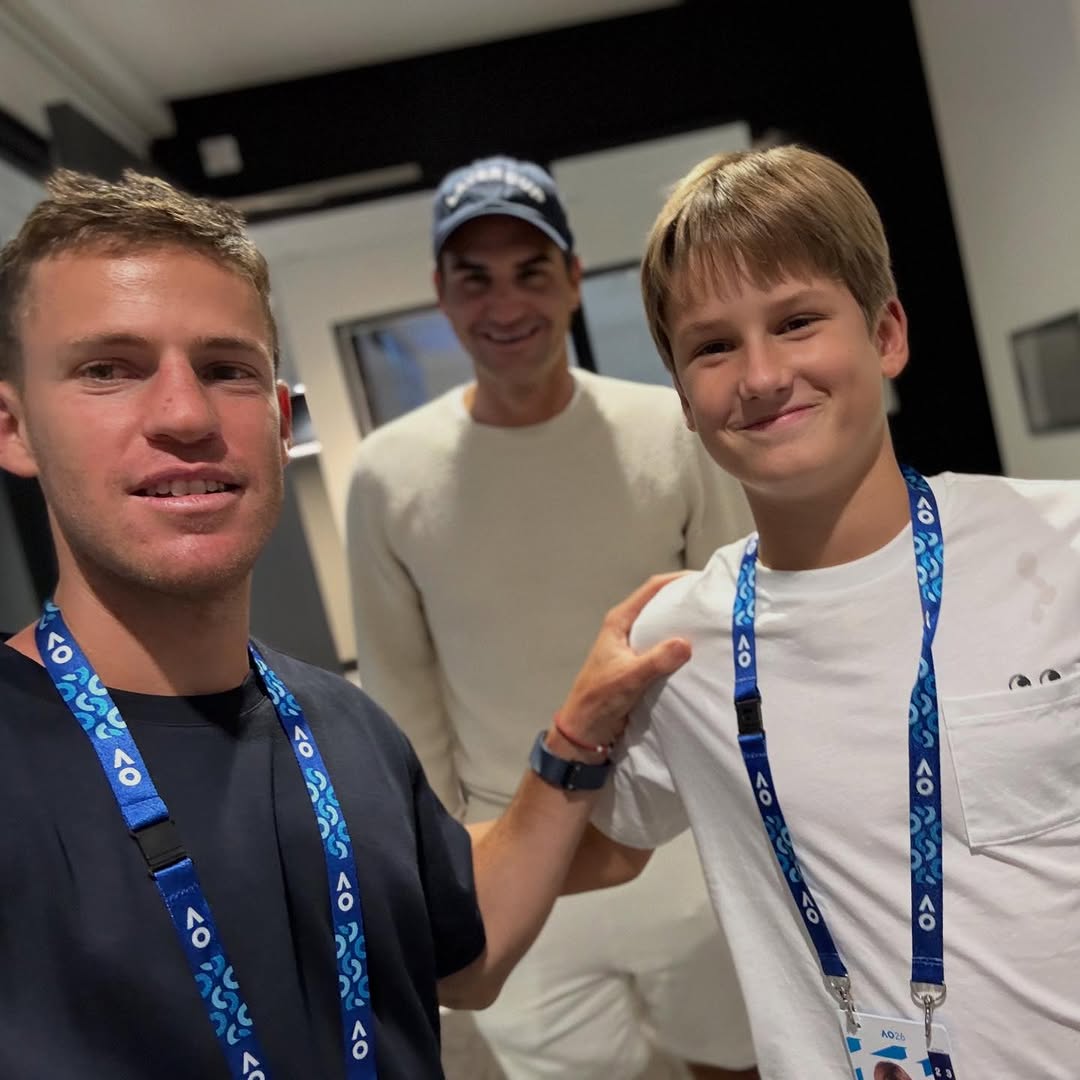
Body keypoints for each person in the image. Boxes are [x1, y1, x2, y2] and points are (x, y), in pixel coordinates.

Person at [0, 168, 685, 1080]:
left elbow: (462, 955)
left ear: (279, 422)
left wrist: (574, 744)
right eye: (108, 371)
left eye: (226, 370)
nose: (184, 414)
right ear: (13, 427)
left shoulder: (340, 727)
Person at [578, 144, 1080, 1078]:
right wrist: (566, 738)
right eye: (713, 346)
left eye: (798, 320)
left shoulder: (1062, 546)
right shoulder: (676, 646)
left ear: (886, 334)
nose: (762, 376)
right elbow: (590, 851)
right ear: (682, 396)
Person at [346, 156, 757, 1080]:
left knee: (740, 1065)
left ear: (573, 281)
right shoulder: (388, 474)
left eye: (532, 271)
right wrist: (450, 878)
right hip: (517, 865)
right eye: (475, 278)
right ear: (441, 296)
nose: (506, 304)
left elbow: (743, 638)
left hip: (689, 849)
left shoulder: (673, 428)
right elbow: (401, 701)